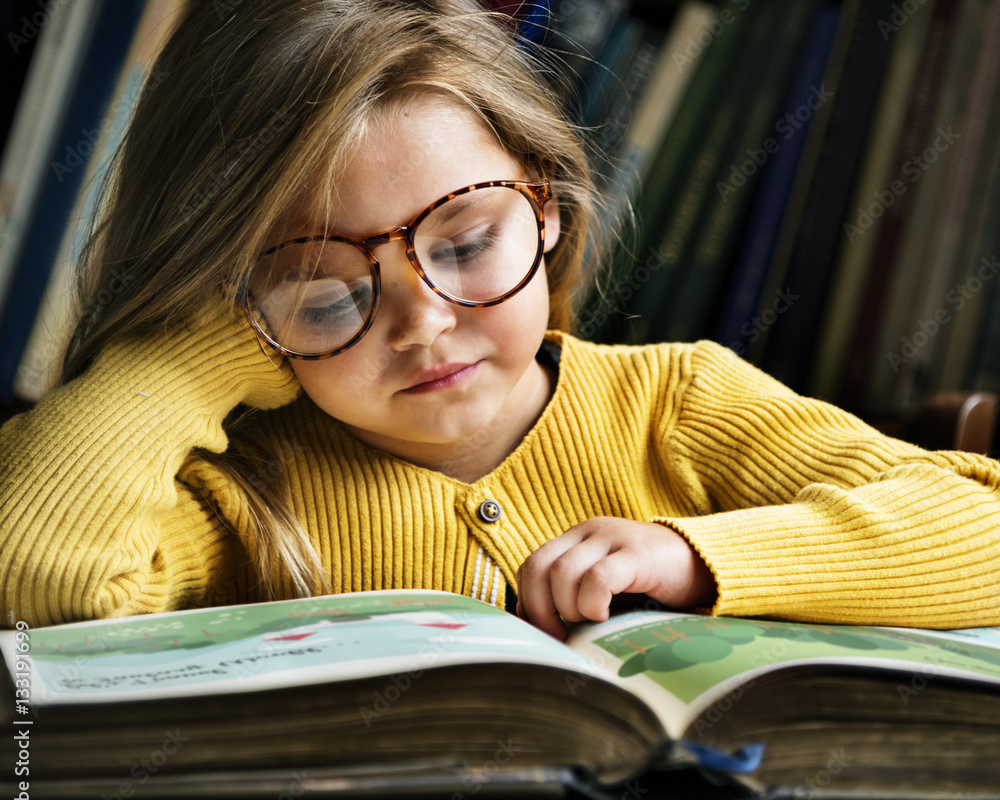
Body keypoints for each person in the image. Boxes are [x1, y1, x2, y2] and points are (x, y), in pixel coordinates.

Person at [0, 0, 998, 637]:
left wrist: (698, 560)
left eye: (467, 242)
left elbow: (981, 532)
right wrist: (191, 359)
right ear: (237, 307)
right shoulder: (239, 487)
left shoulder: (678, 400)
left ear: (547, 205)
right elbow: (38, 579)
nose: (424, 323)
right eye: (324, 292)